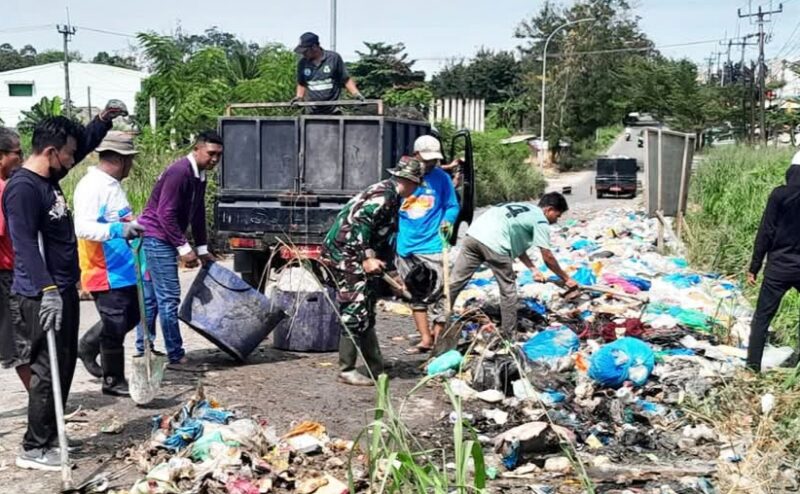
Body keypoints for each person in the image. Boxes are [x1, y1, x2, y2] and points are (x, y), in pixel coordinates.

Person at [4, 111, 122, 471]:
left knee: (64, 366)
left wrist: (102, 122)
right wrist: (48, 288)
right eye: (68, 154)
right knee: (45, 369)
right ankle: (34, 447)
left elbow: (83, 146)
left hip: (63, 289)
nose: (73, 160)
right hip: (40, 295)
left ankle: (51, 435)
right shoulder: (23, 188)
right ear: (52, 151)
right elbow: (24, 244)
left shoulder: (48, 177)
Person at [322, 157, 423, 386]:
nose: (416, 190)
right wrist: (367, 258)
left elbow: (385, 237)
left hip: (358, 253)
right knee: (355, 305)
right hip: (346, 254)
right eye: (416, 185)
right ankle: (346, 369)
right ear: (407, 180)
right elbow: (360, 225)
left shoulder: (394, 197)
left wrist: (393, 273)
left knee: (367, 306)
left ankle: (374, 365)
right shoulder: (383, 196)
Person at [137, 131, 222, 365]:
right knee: (168, 298)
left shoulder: (200, 174)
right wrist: (183, 247)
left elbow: (197, 214)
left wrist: (203, 248)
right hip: (156, 237)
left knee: (152, 297)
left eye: (219, 155)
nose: (215, 159)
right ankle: (174, 354)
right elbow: (165, 213)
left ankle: (144, 348)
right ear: (197, 149)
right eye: (211, 154)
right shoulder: (180, 171)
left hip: (160, 238)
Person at [74, 132, 145, 396]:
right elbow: (83, 227)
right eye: (130, 161)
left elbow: (117, 218)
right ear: (119, 159)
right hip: (103, 269)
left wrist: (132, 226)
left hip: (124, 267)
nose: (132, 166)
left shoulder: (112, 185)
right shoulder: (92, 187)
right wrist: (118, 230)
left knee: (132, 317)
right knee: (114, 325)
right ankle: (113, 380)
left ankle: (89, 344)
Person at [448, 193, 578, 338]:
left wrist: (533, 269)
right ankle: (509, 337)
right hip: (495, 244)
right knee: (508, 292)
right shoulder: (540, 220)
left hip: (473, 236)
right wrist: (566, 278)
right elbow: (547, 256)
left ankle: (440, 323)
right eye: (557, 215)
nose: (557, 220)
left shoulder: (525, 209)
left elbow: (517, 246)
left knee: (454, 283)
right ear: (549, 209)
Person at [396, 136, 459, 354]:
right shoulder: (403, 178)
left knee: (440, 294)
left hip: (433, 245)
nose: (431, 164)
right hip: (406, 245)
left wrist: (447, 222)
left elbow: (452, 206)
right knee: (415, 294)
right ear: (416, 155)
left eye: (434, 160)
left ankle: (438, 339)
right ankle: (425, 339)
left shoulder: (442, 178)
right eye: (427, 159)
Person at [746, 153, 800, 372]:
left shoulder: (779, 195)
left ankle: (752, 368)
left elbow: (766, 232)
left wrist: (754, 267)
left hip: (778, 268)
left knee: (762, 318)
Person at [0, 127, 28, 390]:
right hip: (6, 276)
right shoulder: (2, 189)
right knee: (21, 344)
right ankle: (43, 405)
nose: (21, 158)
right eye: (17, 153)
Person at [292, 32, 364, 114]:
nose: (303, 54)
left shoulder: (333, 58)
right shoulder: (303, 63)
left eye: (305, 51)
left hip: (333, 110)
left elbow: (346, 79)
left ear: (315, 47)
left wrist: (356, 94)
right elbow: (302, 83)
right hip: (311, 112)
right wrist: (299, 97)